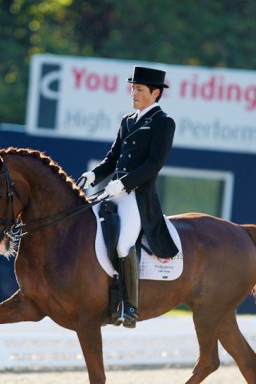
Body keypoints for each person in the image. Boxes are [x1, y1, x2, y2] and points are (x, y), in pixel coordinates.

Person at [77, 65, 179, 328]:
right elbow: (113, 158)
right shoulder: (128, 120)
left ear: (155, 93)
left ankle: (130, 306)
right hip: (114, 192)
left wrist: (123, 184)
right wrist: (95, 175)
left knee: (124, 245)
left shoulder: (163, 122)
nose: (134, 93)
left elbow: (154, 164)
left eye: (140, 89)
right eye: (133, 88)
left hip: (137, 197)